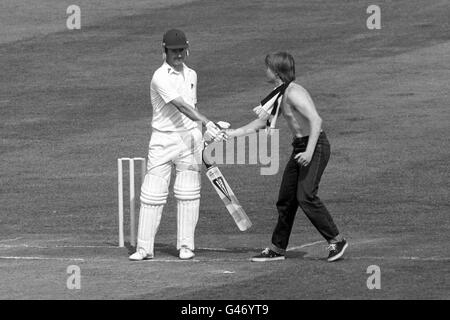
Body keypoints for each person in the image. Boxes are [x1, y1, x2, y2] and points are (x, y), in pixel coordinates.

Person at [225, 52, 348, 262]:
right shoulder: (280, 93)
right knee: (286, 199)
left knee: (306, 196)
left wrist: (309, 152)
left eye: (268, 68)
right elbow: (263, 123)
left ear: (276, 71)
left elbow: (316, 120)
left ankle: (337, 240)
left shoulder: (293, 93)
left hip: (314, 146)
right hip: (300, 147)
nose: (265, 71)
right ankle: (277, 248)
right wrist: (231, 134)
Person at [129, 29, 226, 261]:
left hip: (189, 140)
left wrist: (203, 134)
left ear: (187, 49)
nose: (178, 55)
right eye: (174, 51)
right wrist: (207, 122)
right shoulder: (159, 77)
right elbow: (181, 106)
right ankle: (144, 249)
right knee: (152, 193)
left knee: (188, 192)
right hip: (163, 140)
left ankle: (185, 246)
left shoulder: (192, 74)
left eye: (181, 50)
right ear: (164, 51)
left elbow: (192, 106)